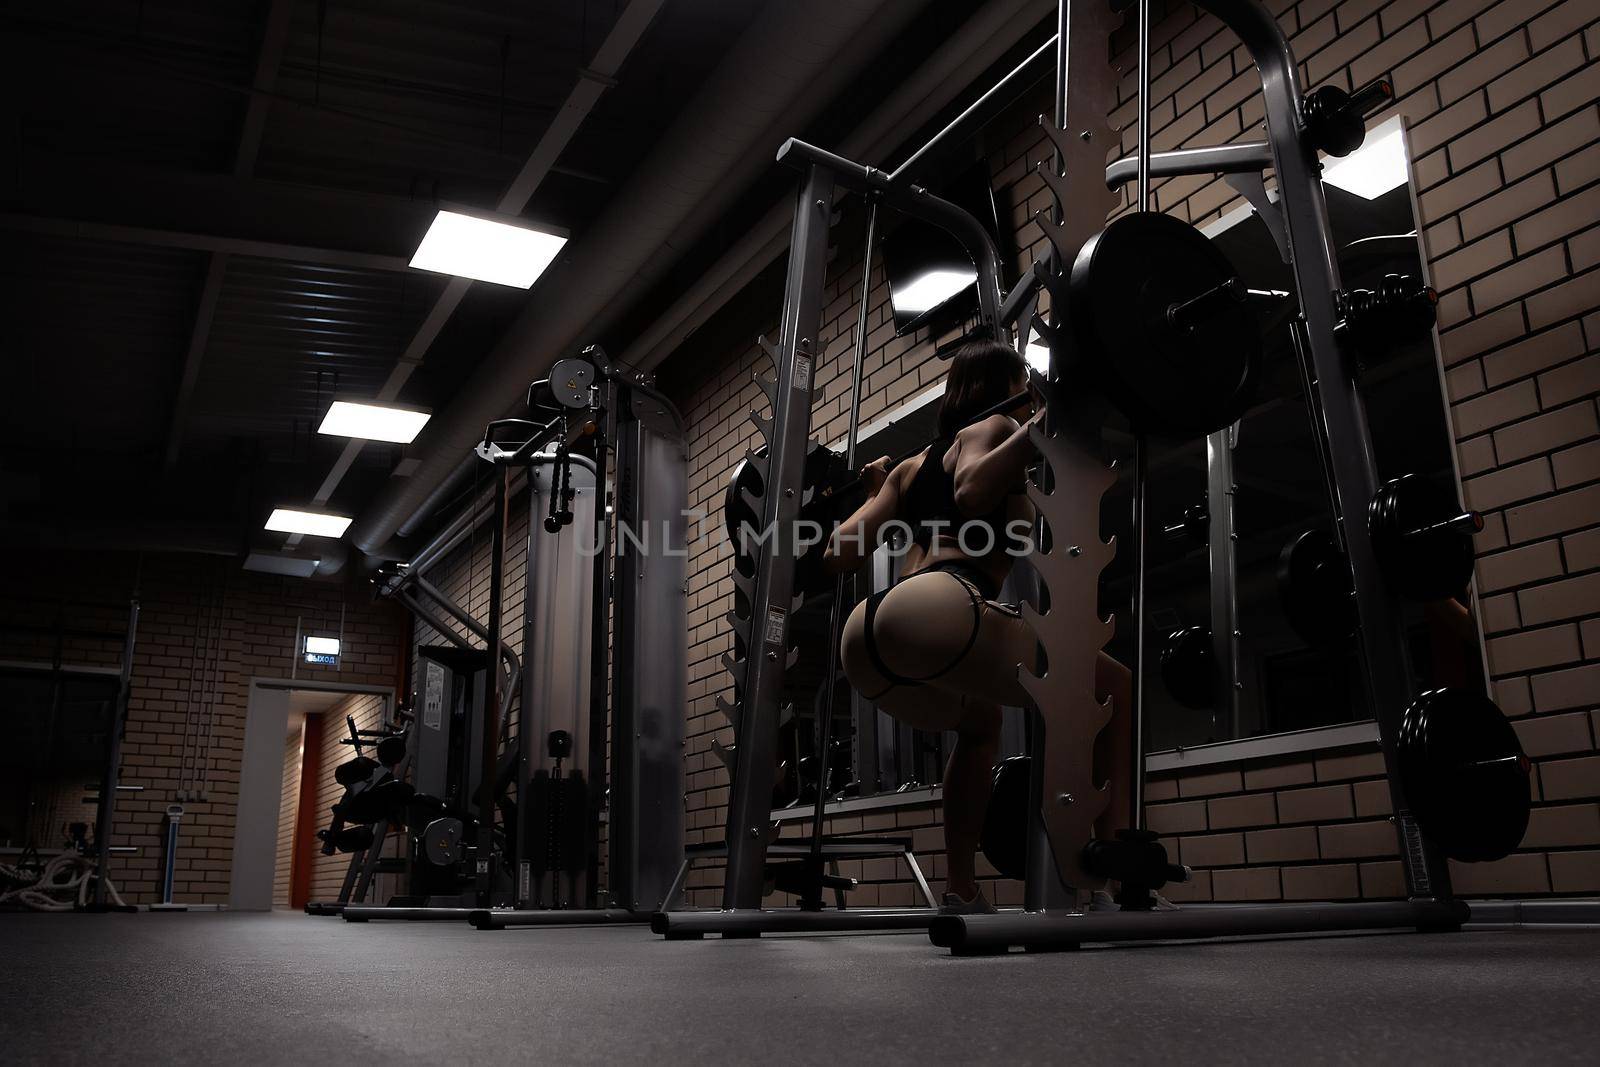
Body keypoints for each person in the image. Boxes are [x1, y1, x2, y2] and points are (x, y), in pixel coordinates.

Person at [823, 338, 1131, 913]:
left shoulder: (907, 471)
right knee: (1114, 685)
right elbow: (970, 489)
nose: (1026, 397)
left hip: (869, 635)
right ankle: (1116, 874)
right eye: (1021, 387)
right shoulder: (988, 430)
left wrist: (876, 492)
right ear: (1004, 391)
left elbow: (838, 553)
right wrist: (1044, 418)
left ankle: (961, 889)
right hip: (941, 605)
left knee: (981, 723)